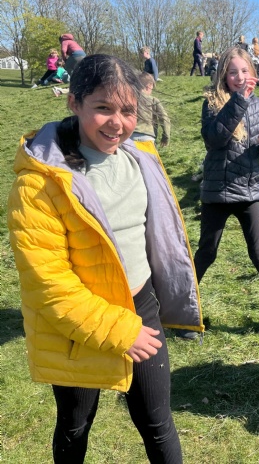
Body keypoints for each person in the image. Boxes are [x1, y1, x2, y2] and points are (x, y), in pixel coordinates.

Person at [8, 54, 204, 463]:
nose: (117, 123)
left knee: (158, 422)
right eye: (103, 108)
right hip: (77, 327)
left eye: (128, 111)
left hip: (141, 308)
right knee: (75, 424)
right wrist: (120, 331)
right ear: (74, 103)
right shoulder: (39, 184)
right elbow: (49, 286)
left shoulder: (141, 158)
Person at [191, 46, 259, 348]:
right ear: (223, 76)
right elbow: (215, 139)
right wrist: (239, 100)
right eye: (232, 72)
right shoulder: (212, 103)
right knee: (206, 253)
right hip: (216, 192)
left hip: (248, 191)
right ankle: (183, 312)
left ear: (252, 73)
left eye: (244, 71)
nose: (239, 77)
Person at [132, 72, 171, 148]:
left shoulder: (129, 99)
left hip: (129, 137)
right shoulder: (153, 100)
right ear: (149, 86)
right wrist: (166, 136)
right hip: (147, 137)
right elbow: (164, 118)